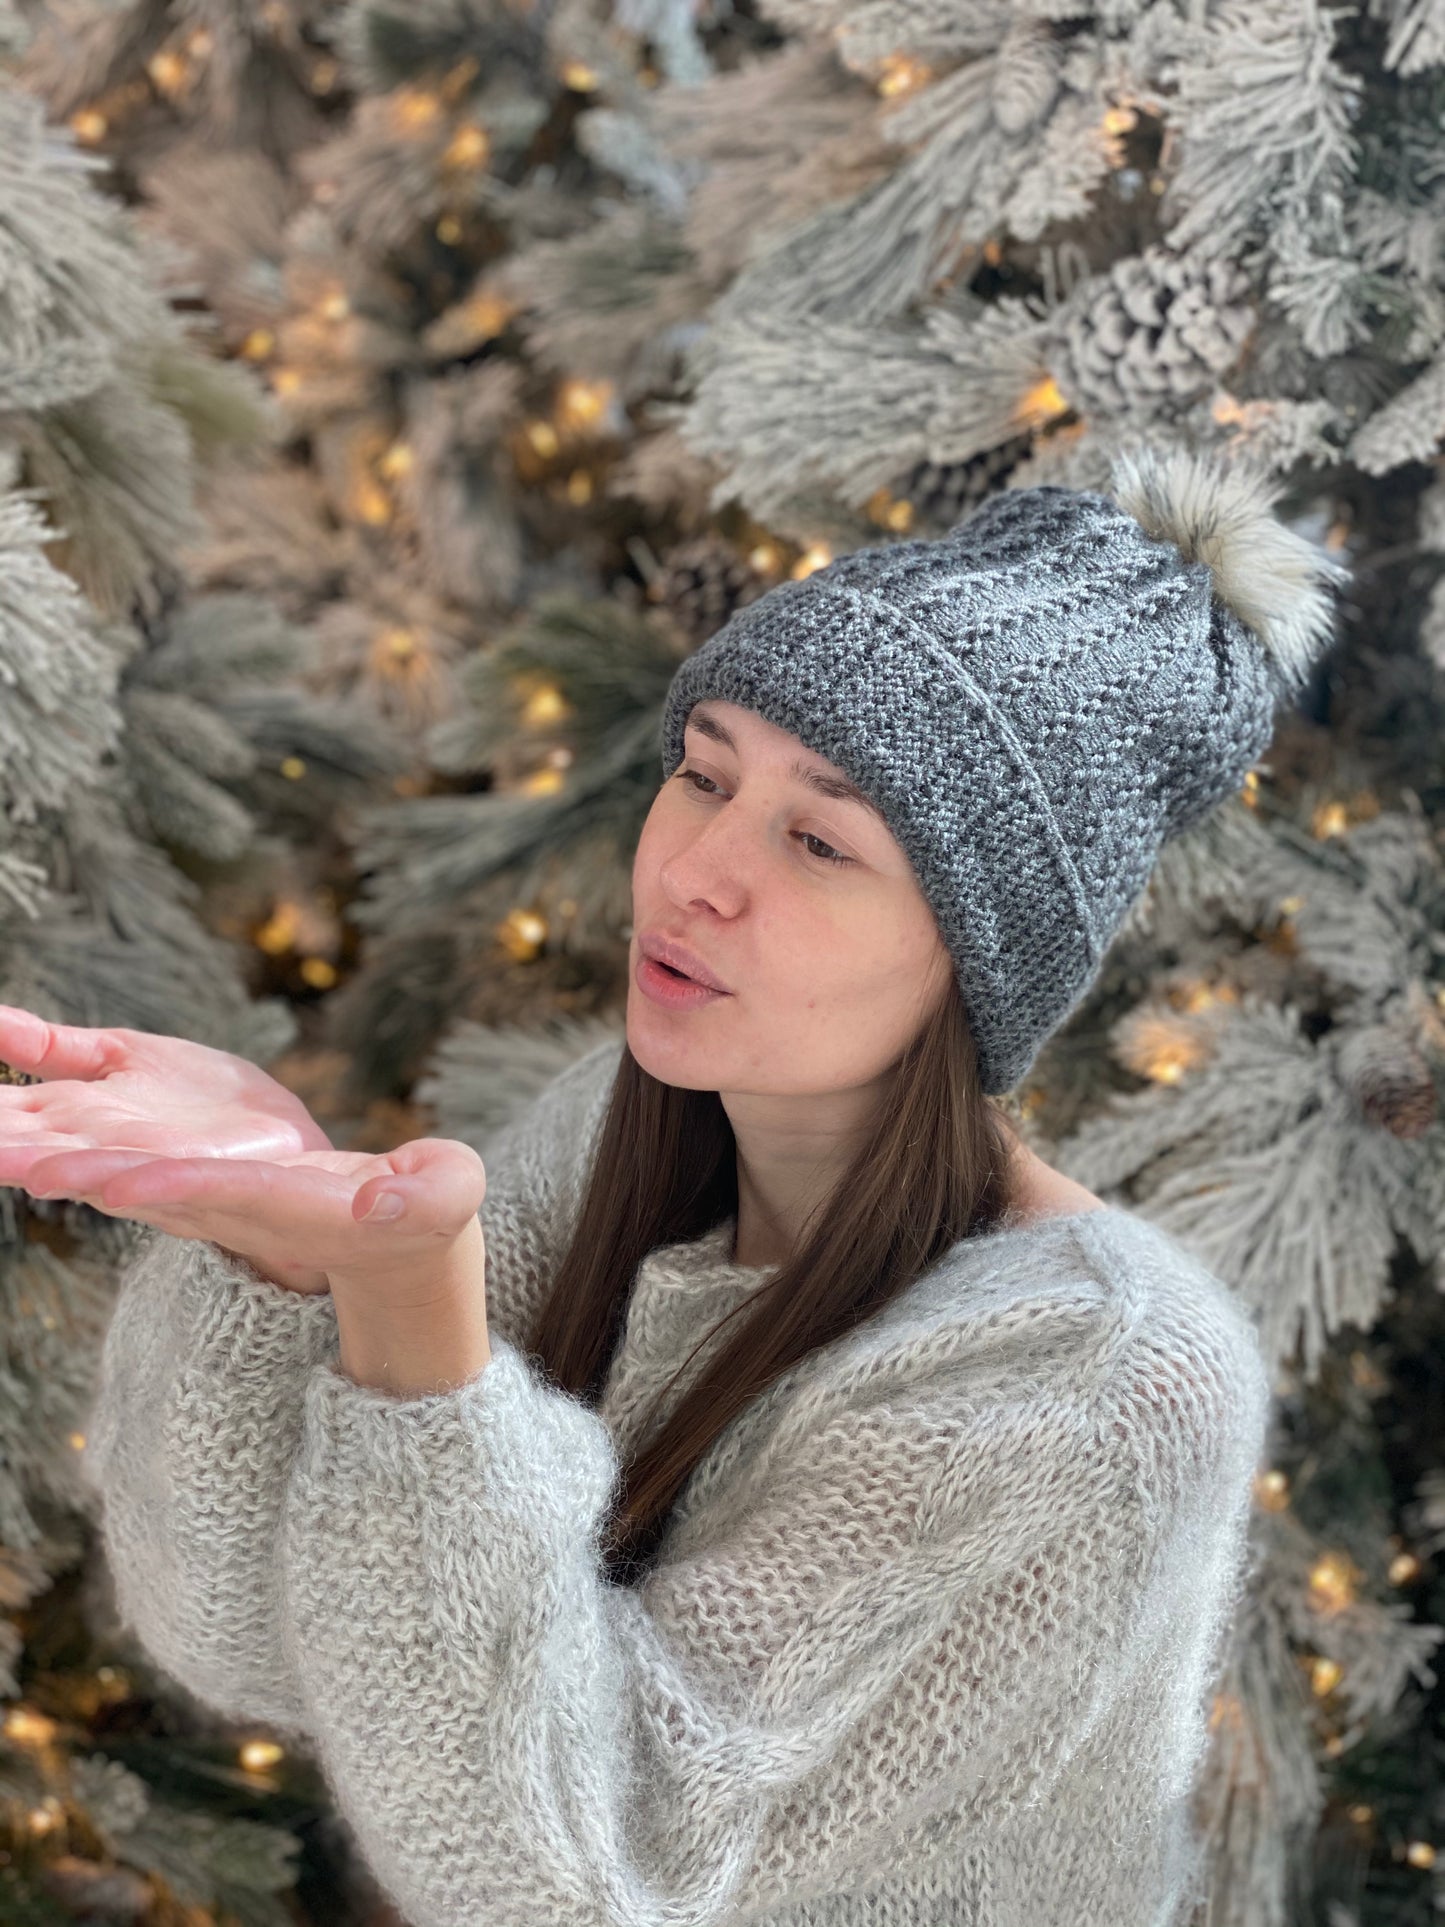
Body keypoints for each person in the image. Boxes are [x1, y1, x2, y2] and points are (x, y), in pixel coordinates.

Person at [0, 439, 1348, 1926]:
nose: (695, 868)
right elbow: (259, 1642)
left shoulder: (1100, 1382)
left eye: (819, 839)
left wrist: (414, 1347)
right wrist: (268, 1252)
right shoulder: (628, 1128)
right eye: (702, 772)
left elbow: (574, 1887)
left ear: (979, 959)